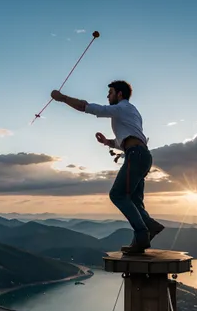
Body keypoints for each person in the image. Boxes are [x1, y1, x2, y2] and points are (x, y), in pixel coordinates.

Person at [50, 80, 165, 253]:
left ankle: (143, 233)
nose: (107, 96)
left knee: (117, 195)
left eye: (110, 92)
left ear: (119, 94)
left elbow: (88, 107)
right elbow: (130, 139)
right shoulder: (132, 111)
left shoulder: (121, 108)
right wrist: (108, 142)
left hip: (135, 156)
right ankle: (148, 228)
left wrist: (63, 98)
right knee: (134, 200)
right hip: (142, 156)